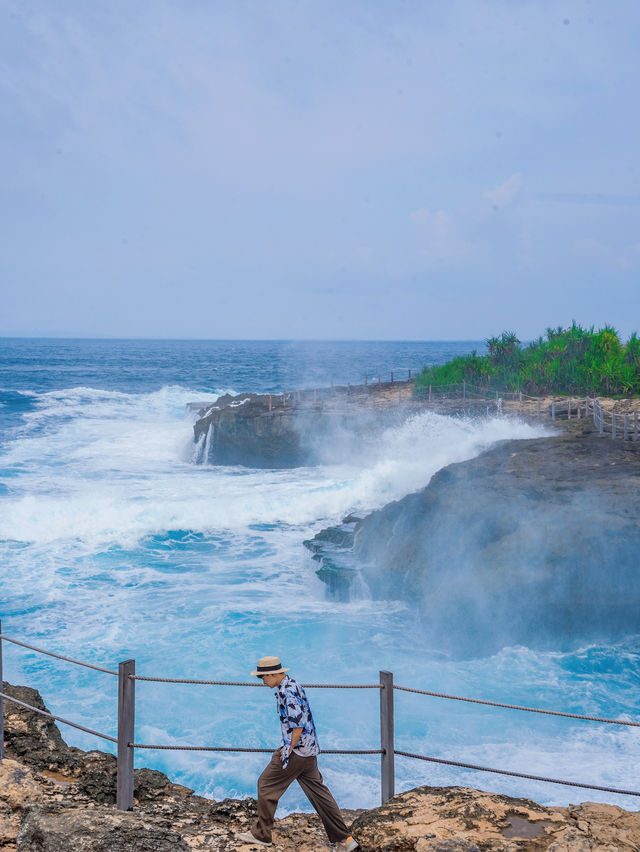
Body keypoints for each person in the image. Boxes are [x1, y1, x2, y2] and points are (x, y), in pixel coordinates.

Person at [237, 656, 358, 850]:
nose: (262, 681)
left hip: (298, 751)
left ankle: (262, 834)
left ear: (274, 674)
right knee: (319, 793)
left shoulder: (287, 692)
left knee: (266, 785)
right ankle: (345, 839)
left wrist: (288, 750)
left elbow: (298, 724)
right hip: (309, 750)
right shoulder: (293, 684)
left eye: (263, 677)